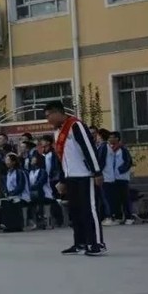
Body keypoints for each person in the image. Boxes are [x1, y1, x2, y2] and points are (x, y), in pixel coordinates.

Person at [43, 101, 105, 256]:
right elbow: (61, 158)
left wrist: (97, 172)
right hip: (70, 177)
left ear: (57, 112)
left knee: (89, 210)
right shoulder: (57, 132)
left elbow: (89, 148)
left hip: (85, 175)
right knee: (75, 212)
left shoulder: (76, 125)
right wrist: (62, 179)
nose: (48, 120)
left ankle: (97, 243)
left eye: (49, 116)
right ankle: (80, 243)